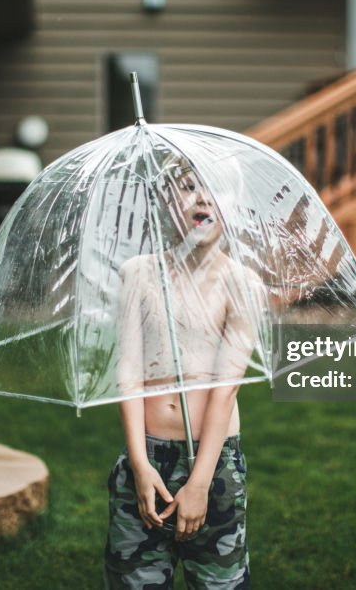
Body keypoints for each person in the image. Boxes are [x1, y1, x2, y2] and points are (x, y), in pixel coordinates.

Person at [104, 154, 263, 589]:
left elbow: (225, 390)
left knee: (219, 582)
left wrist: (200, 482)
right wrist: (139, 464)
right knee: (134, 580)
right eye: (188, 185)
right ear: (166, 201)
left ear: (234, 206)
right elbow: (129, 369)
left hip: (214, 459)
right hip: (149, 455)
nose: (201, 198)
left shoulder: (242, 284)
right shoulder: (137, 274)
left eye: (214, 188)